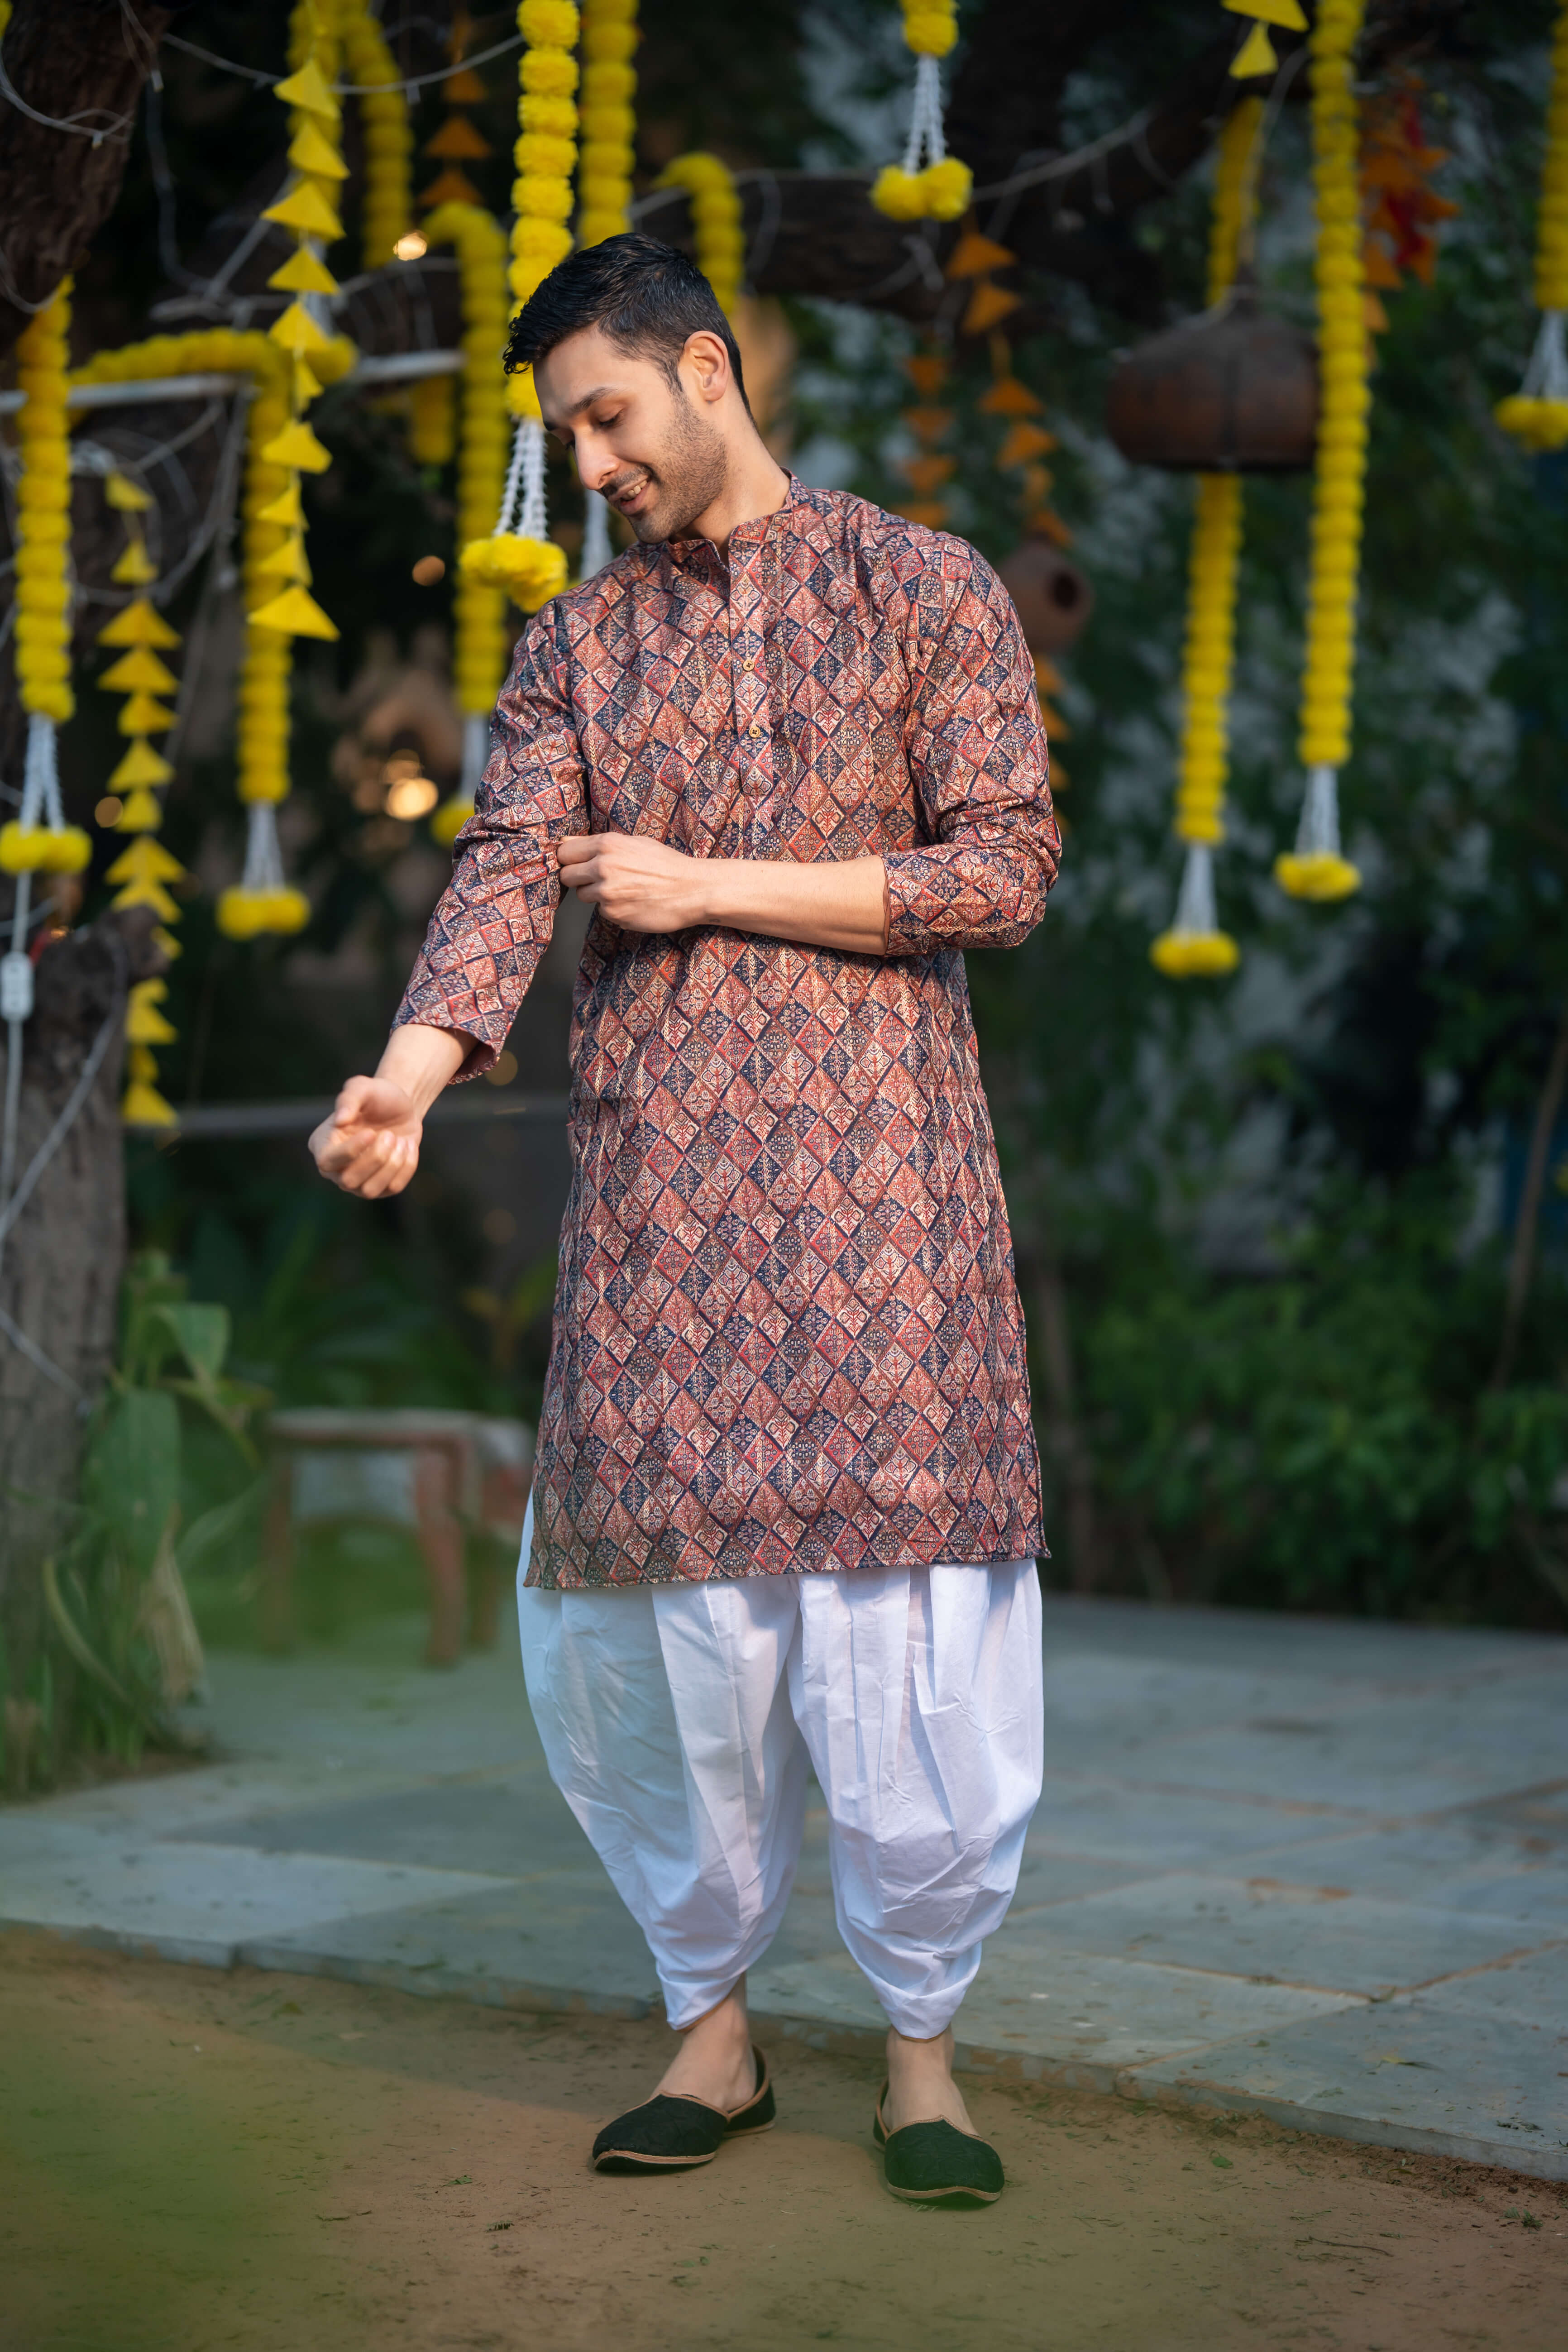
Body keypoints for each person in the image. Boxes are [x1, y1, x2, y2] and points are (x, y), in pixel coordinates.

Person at [311, 233, 1059, 2208]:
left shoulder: (920, 587)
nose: (590, 463)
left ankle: (920, 2059)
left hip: (880, 1201)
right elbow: (501, 879)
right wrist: (408, 1069)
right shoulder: (575, 646)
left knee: (899, 1634)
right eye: (565, 434)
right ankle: (709, 2035)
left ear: (708, 372)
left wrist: (711, 880)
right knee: (678, 1645)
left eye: (606, 417)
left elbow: (1000, 871)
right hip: (663, 1208)